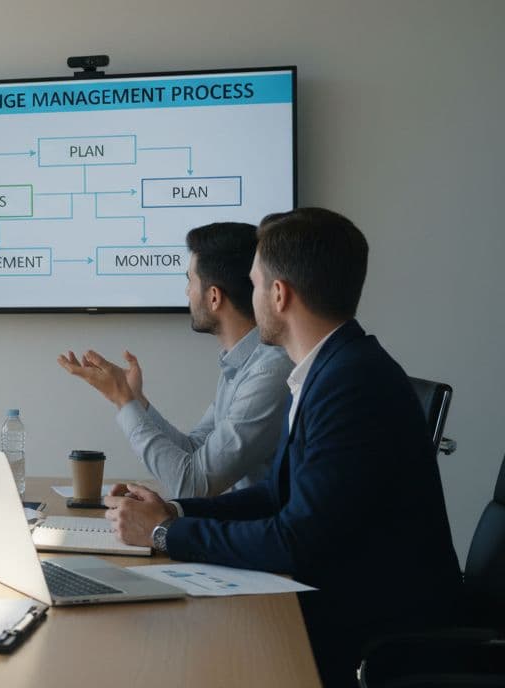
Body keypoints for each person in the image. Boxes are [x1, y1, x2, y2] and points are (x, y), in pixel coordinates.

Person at [102, 207, 461, 686]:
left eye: (253, 285)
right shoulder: (331, 369)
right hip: (344, 607)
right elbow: (276, 494)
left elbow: (296, 540)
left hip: (373, 634)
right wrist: (174, 513)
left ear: (279, 293)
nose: (248, 301)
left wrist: (164, 535)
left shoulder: (349, 383)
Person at [56, 222, 292, 498]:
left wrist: (124, 402)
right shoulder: (240, 364)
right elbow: (194, 451)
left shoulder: (268, 372)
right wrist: (136, 401)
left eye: (189, 280)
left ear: (214, 297)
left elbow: (193, 486)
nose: (186, 292)